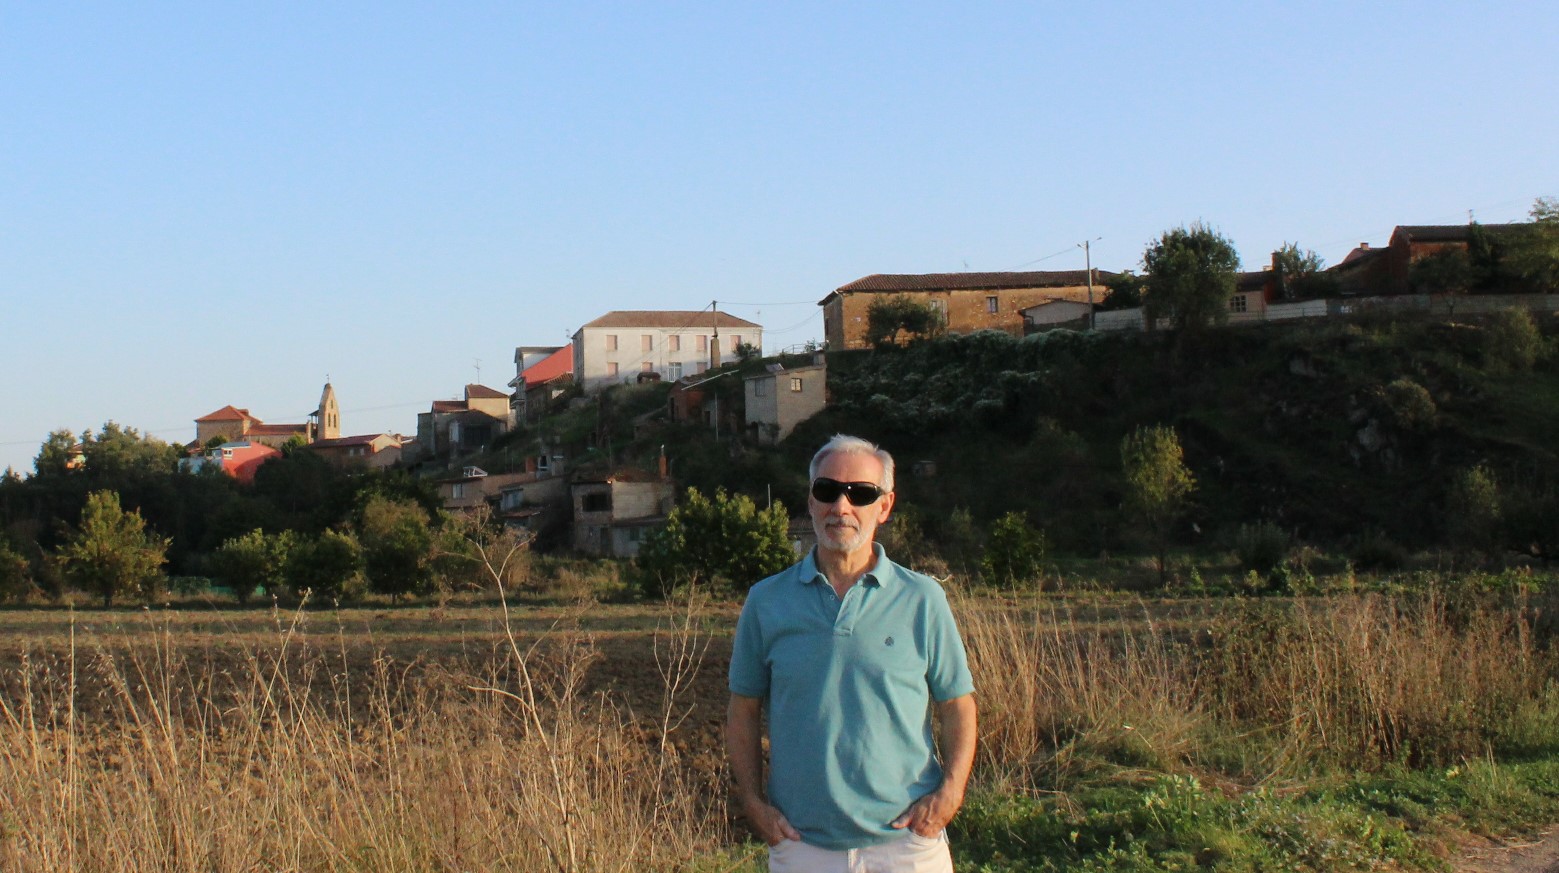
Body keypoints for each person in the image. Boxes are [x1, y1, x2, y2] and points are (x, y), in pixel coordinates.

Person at [727, 434, 977, 872]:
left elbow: (957, 704)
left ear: (884, 506)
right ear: (811, 501)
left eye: (860, 493)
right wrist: (753, 803)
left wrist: (950, 794)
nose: (841, 507)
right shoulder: (766, 601)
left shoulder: (922, 599)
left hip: (907, 846)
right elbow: (742, 709)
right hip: (801, 847)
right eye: (827, 490)